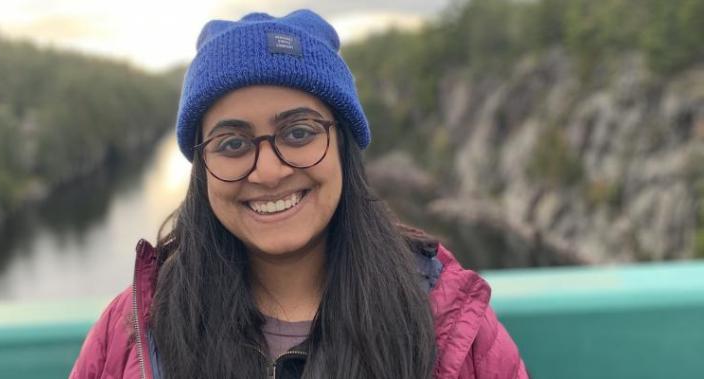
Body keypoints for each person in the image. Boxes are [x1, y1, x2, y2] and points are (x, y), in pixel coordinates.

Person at [70, 9, 528, 379]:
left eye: (299, 132)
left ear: (343, 147)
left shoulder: (451, 323)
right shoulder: (130, 331)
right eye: (232, 143)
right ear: (201, 166)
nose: (268, 172)